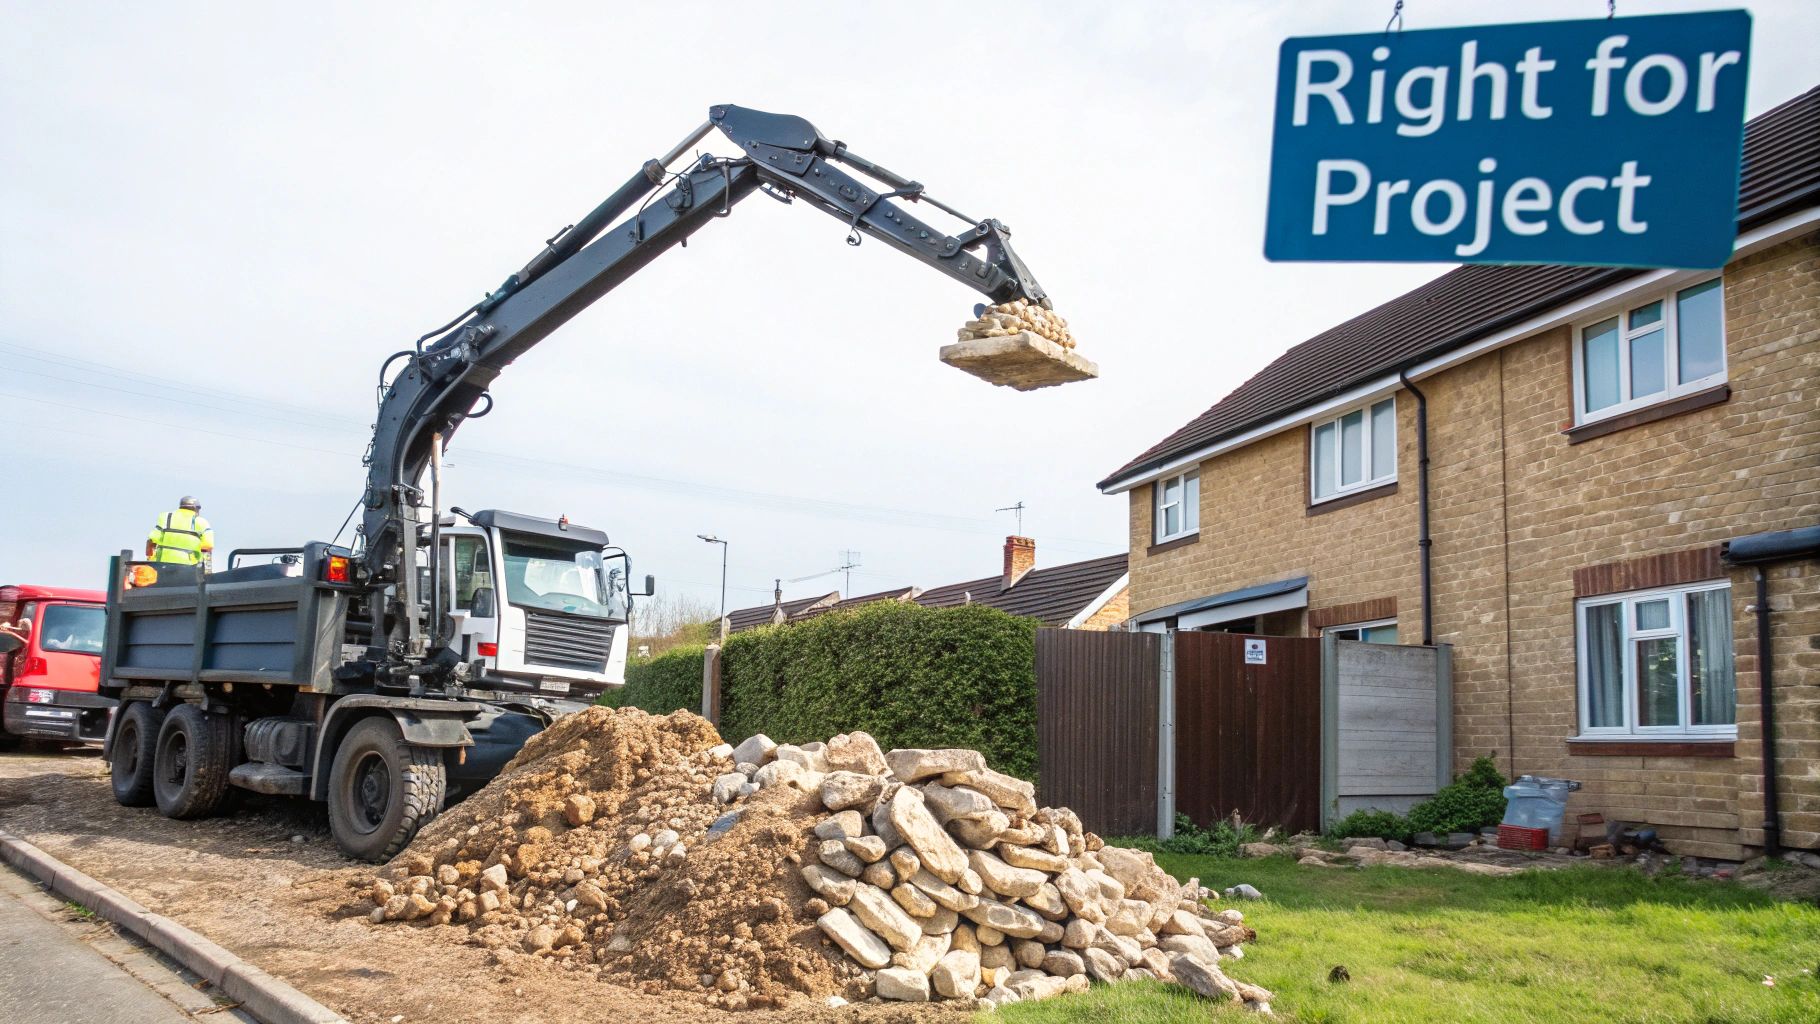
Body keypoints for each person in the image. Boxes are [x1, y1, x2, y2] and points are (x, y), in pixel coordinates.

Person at [147, 495, 216, 569]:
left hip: (162, 566)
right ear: (197, 509)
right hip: (188, 568)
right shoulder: (201, 522)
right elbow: (208, 546)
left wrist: (150, 562)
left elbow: (151, 541)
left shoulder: (166, 517)